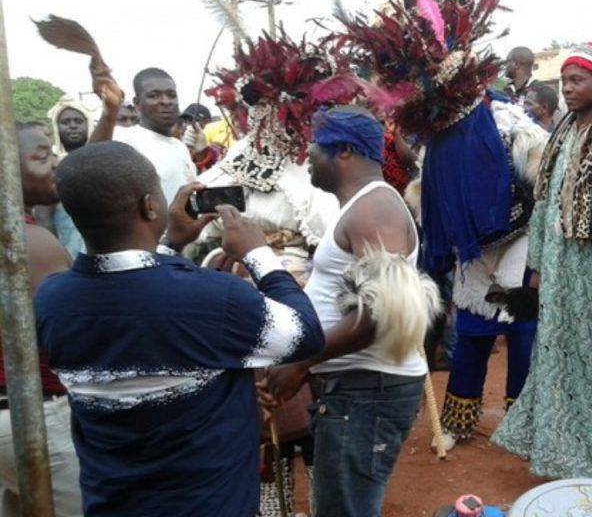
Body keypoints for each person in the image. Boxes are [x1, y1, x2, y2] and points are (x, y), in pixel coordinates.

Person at [335, 0, 549, 457]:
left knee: (522, 336)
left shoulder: (510, 126)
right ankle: (458, 418)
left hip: (520, 247)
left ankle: (523, 422)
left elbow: (546, 190)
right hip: (470, 255)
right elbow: (430, 208)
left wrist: (539, 265)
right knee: (472, 333)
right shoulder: (436, 147)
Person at [35, 141, 324, 517]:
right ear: (150, 206)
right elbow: (304, 334)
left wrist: (169, 244)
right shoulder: (212, 298)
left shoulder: (51, 303)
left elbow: (137, 314)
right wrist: (258, 254)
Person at [201, 29, 360, 516]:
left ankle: (316, 498)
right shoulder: (225, 172)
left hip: (300, 298)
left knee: (306, 416)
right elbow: (199, 233)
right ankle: (272, 506)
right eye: (260, 105)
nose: (269, 118)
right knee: (254, 421)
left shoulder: (308, 180)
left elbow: (332, 248)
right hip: (235, 302)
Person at [492, 42, 592, 484]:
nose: (567, 89)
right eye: (564, 81)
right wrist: (540, 271)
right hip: (565, 281)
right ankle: (565, 458)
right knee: (564, 369)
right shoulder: (563, 135)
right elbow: (545, 208)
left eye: (577, 80)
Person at [263, 107, 433, 517]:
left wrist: (303, 364)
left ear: (342, 152)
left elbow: (380, 315)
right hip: (359, 388)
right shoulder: (364, 205)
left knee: (347, 510)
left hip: (367, 391)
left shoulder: (375, 208)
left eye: (314, 150)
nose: (307, 160)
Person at [2, 123, 82, 517]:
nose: (54, 164)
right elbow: (68, 340)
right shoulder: (29, 243)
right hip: (35, 417)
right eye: (40, 156)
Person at [90, 67, 196, 203]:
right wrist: (110, 111)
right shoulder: (124, 136)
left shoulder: (180, 146)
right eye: (154, 95)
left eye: (171, 95)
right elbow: (90, 163)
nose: (166, 101)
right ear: (137, 103)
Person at [45, 97, 91, 256]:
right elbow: (45, 219)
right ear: (56, 127)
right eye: (66, 122)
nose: (73, 126)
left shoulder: (101, 160)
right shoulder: (50, 165)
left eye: (78, 121)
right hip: (66, 253)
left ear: (88, 124)